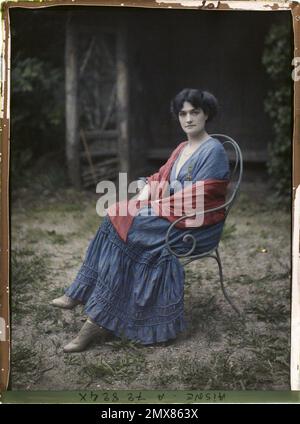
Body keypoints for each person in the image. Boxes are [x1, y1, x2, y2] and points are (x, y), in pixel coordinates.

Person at [50, 88, 230, 353]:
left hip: (196, 224)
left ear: (207, 114)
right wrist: (148, 191)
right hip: (171, 213)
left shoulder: (213, 150)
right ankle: (90, 304)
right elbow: (161, 178)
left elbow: (202, 196)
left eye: (195, 112)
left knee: (124, 222)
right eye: (183, 113)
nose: (188, 119)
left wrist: (156, 203)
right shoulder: (182, 148)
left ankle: (92, 311)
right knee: (120, 216)